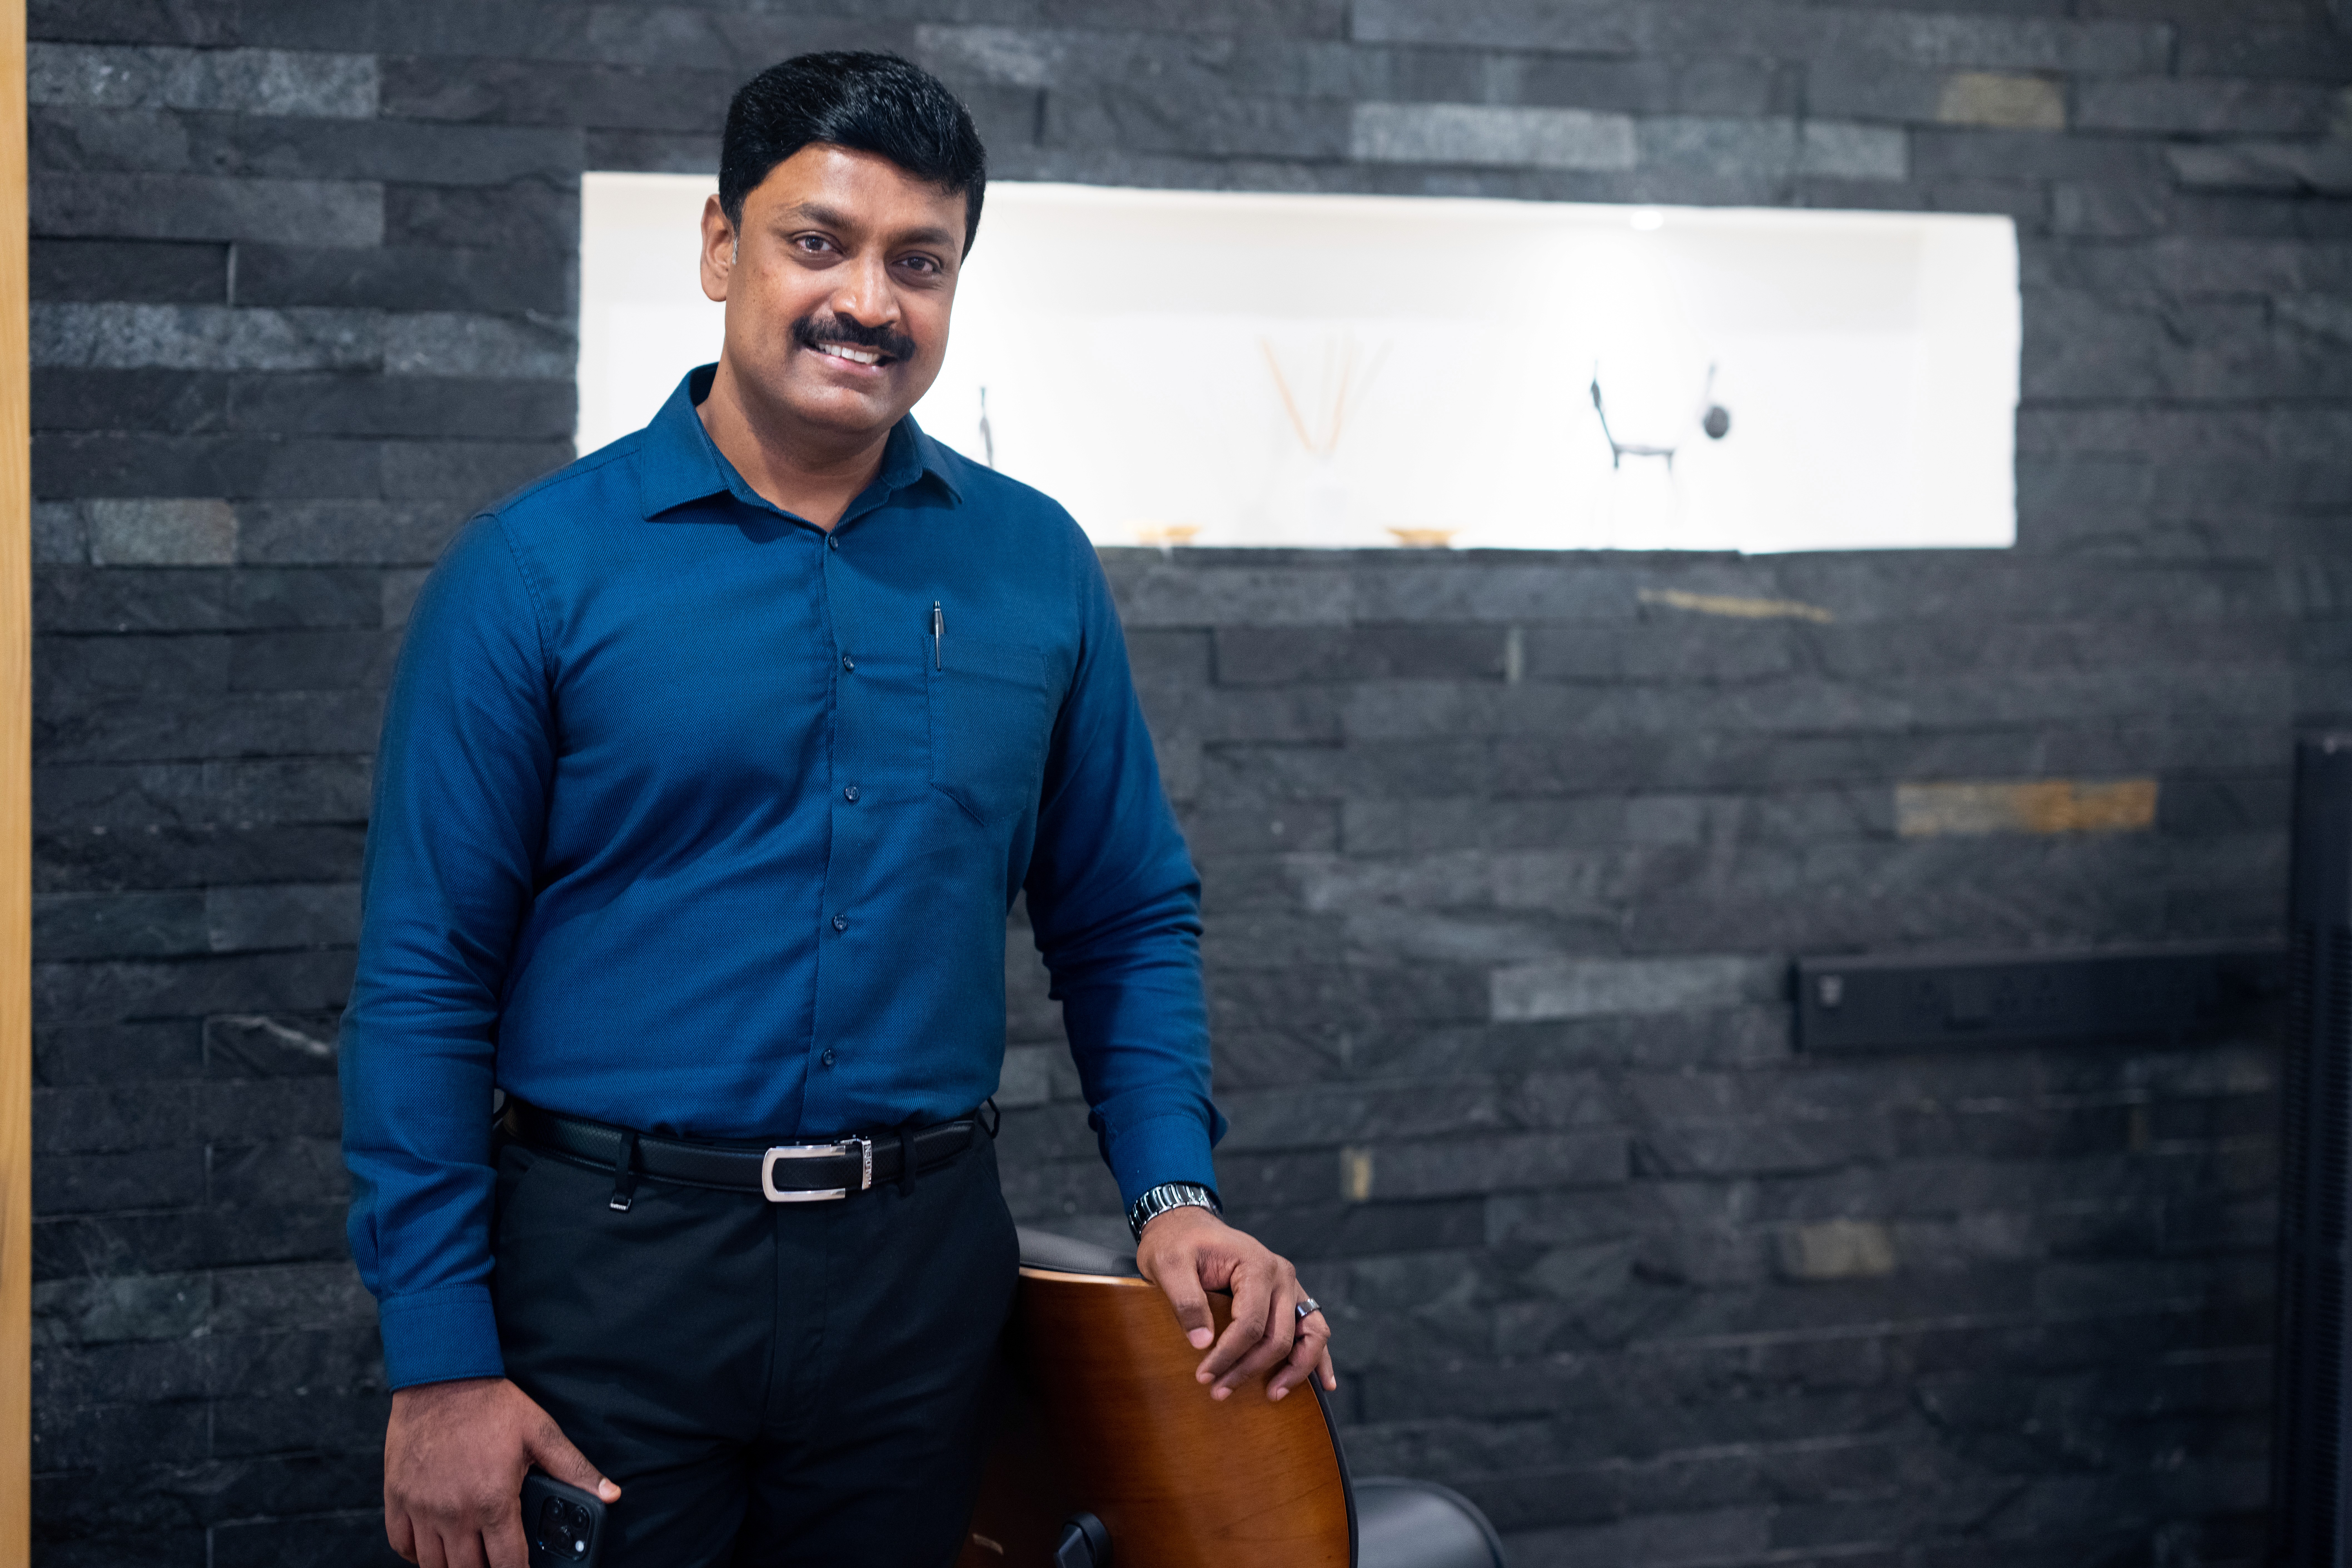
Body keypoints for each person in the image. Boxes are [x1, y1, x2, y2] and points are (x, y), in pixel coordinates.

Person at [338, 50, 1335, 1568]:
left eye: (918, 263)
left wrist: (1171, 1193)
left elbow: (1124, 917)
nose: (869, 300)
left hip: (918, 1287)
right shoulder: (534, 573)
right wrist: (440, 1357)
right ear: (721, 245)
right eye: (820, 242)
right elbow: (423, 980)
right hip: (608, 1283)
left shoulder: (1036, 568)